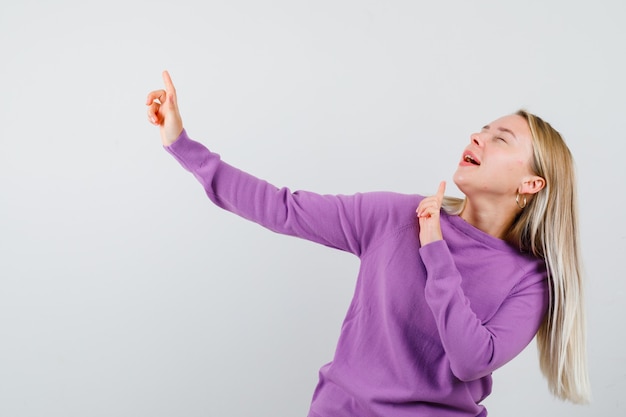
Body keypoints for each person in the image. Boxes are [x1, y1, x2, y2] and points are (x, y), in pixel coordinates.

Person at [146, 71, 591, 416]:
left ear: (532, 183)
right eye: (482, 129)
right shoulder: (394, 216)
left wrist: (434, 247)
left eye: (500, 139)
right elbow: (282, 208)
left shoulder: (530, 282)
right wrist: (181, 145)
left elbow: (471, 361)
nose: (477, 137)